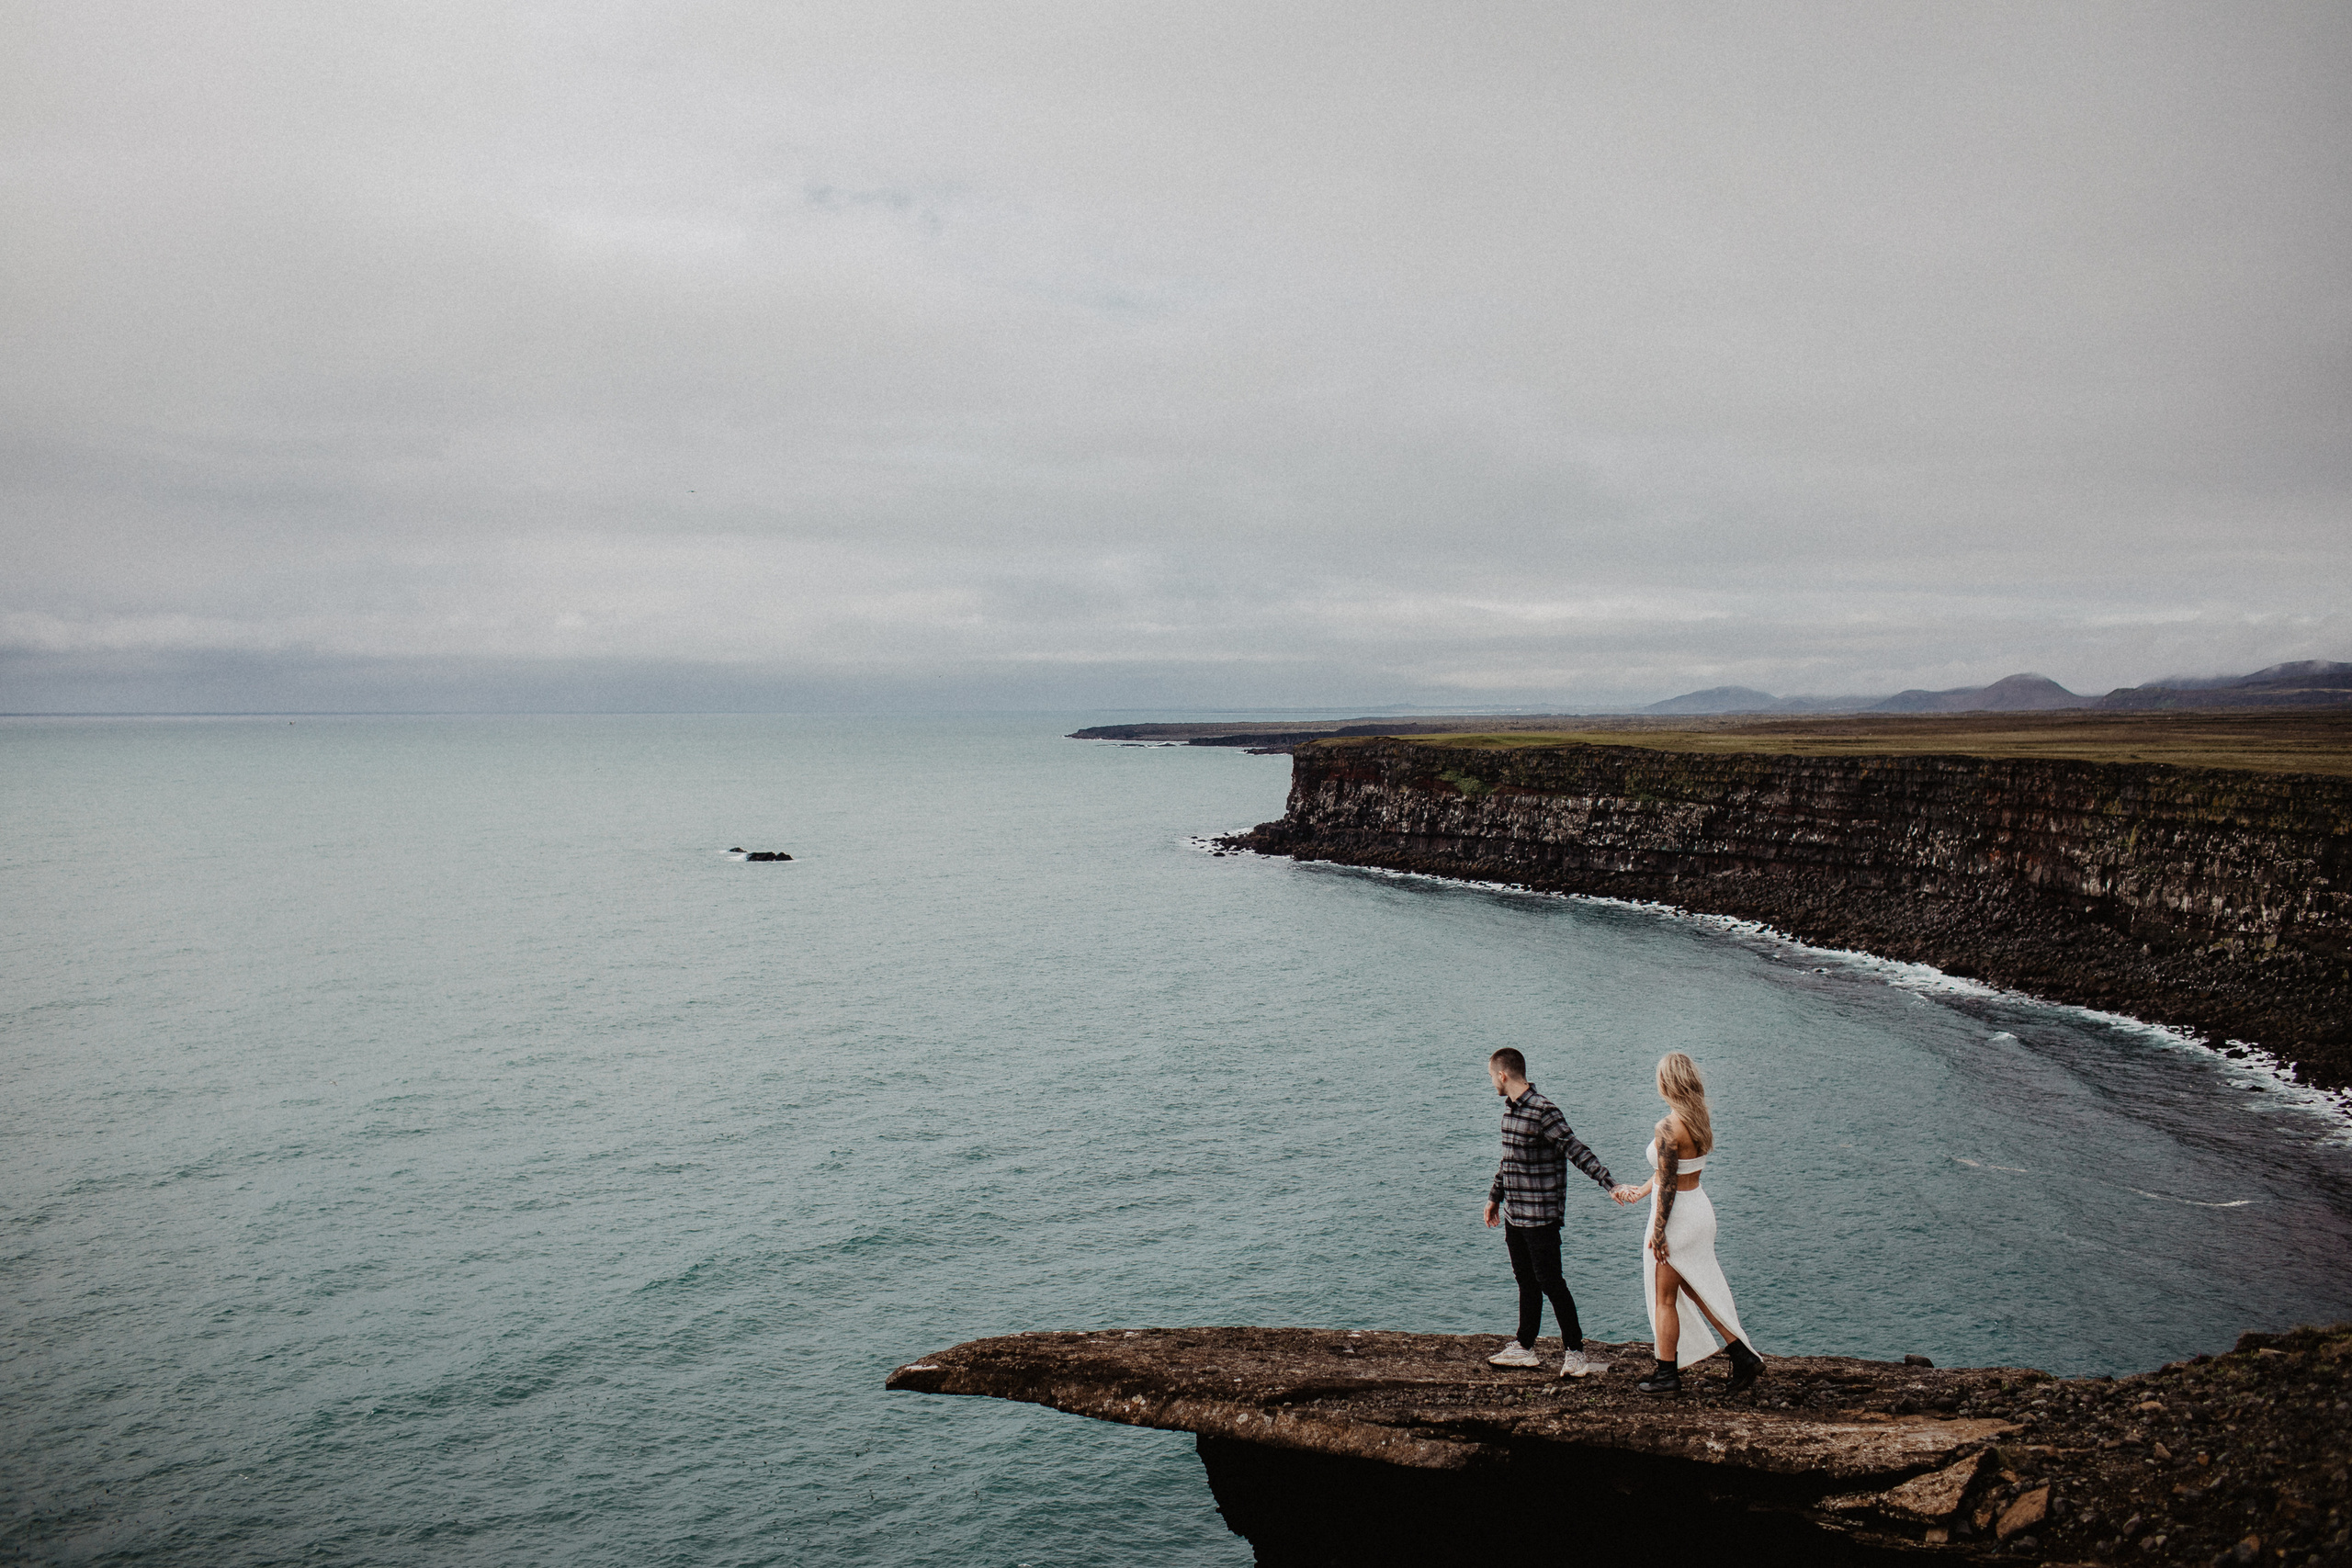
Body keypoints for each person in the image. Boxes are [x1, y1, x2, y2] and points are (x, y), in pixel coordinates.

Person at [1612, 1051, 1764, 1396]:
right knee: (1695, 1286)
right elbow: (1670, 1171)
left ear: (1666, 1083)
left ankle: (1667, 1376)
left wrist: (1659, 1230)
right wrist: (1640, 1191)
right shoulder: (1698, 1120)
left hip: (1677, 1215)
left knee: (1664, 1296)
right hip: (1699, 1208)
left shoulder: (1667, 1126)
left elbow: (1668, 1184)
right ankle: (1741, 1355)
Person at [1481, 1047, 1623, 1378]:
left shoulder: (1544, 1111)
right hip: (1515, 1215)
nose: (1491, 1083)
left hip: (1541, 1215)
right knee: (1526, 1282)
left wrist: (1610, 1184)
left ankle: (1576, 1352)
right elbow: (1509, 1162)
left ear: (1503, 1074)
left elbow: (1575, 1149)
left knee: (1551, 1283)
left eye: (1491, 1076)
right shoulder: (1510, 1114)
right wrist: (1494, 1198)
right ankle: (1524, 1347)